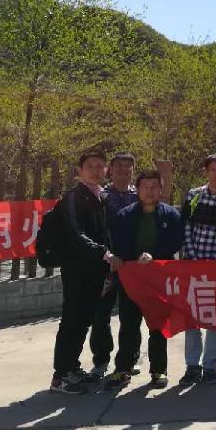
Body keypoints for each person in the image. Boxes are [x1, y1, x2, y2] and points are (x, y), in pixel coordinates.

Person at [49, 151, 122, 395]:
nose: (95, 170)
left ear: (106, 171)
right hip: (77, 268)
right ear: (80, 171)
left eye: (100, 166)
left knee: (83, 320)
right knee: (72, 319)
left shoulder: (101, 196)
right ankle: (61, 376)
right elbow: (75, 233)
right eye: (90, 166)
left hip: (95, 269)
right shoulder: (73, 197)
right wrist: (104, 253)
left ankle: (72, 367)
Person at [106, 170, 183, 390]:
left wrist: (154, 256)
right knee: (129, 325)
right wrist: (132, 258)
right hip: (132, 279)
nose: (150, 191)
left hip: (158, 280)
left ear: (161, 189)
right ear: (137, 190)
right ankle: (123, 369)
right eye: (145, 187)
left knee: (157, 325)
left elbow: (175, 242)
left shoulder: (171, 215)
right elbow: (118, 245)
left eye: (154, 187)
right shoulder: (125, 215)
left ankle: (159, 370)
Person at [179, 154, 216, 386]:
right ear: (205, 171)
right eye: (213, 169)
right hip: (192, 264)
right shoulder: (194, 195)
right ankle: (192, 366)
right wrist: (191, 256)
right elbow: (186, 227)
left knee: (215, 319)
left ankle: (210, 366)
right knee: (191, 318)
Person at [89, 151, 139, 382]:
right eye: (119, 166)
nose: (123, 170)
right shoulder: (101, 196)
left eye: (128, 166)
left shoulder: (139, 195)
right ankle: (101, 360)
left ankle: (128, 360)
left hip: (132, 266)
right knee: (100, 315)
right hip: (105, 265)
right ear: (110, 169)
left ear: (133, 170)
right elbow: (95, 229)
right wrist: (108, 254)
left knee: (131, 317)